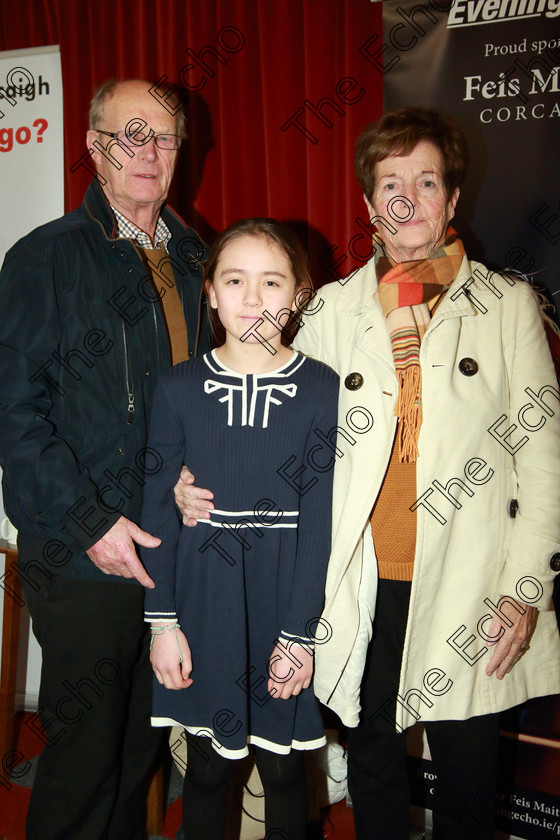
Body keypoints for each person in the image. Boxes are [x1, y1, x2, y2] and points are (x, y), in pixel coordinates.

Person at [176, 108, 560, 839]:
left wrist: (525, 589)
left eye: (426, 180)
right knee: (374, 763)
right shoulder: (330, 309)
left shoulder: (507, 307)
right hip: (359, 579)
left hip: (474, 581)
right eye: (391, 183)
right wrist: (190, 480)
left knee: (469, 778)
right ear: (369, 204)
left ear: (451, 200)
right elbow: (266, 415)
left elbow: (543, 463)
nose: (408, 197)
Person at [0, 79, 211, 839]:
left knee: (138, 755)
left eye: (164, 137)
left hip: (167, 552)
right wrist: (94, 522)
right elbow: (14, 419)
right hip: (83, 555)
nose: (149, 151)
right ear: (94, 148)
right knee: (85, 762)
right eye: (131, 134)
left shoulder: (197, 257)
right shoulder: (44, 260)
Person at [140, 218, 339, 840]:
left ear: (298, 296)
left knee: (283, 773)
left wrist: (299, 635)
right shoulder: (176, 388)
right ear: (211, 293)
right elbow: (156, 514)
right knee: (203, 772)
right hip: (204, 602)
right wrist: (163, 623)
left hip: (282, 599)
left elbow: (320, 522)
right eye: (235, 280)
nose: (252, 299)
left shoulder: (322, 390)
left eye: (271, 282)